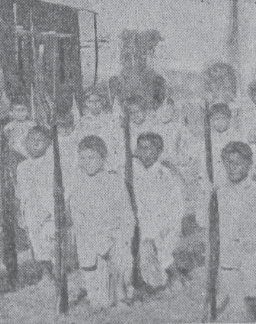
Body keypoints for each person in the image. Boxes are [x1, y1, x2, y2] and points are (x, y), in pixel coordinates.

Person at [212, 141, 256, 321]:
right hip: (228, 254)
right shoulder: (221, 192)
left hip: (252, 251)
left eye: (237, 163)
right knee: (226, 300)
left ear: (249, 164)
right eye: (228, 163)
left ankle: (253, 307)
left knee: (247, 285)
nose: (232, 168)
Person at [68, 135, 134, 310]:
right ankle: (98, 294)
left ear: (103, 158)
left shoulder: (115, 181)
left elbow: (126, 214)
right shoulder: (77, 184)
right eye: (83, 158)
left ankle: (121, 296)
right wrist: (99, 242)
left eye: (92, 157)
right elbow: (78, 219)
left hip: (115, 236)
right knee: (100, 302)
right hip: (91, 239)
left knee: (119, 264)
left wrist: (120, 237)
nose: (87, 162)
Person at [132, 131, 184, 290]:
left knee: (160, 247)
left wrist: (167, 225)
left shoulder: (165, 173)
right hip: (142, 221)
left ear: (159, 151)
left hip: (164, 223)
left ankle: (175, 276)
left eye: (149, 148)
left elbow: (175, 204)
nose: (144, 153)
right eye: (141, 148)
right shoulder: (135, 170)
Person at [16, 126, 56, 280]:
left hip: (48, 209)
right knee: (36, 240)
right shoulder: (22, 167)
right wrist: (21, 212)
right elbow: (20, 192)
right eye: (32, 140)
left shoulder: (51, 164)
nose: (36, 143)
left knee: (50, 239)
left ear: (48, 143)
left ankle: (54, 268)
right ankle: (45, 270)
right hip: (31, 209)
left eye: (41, 140)